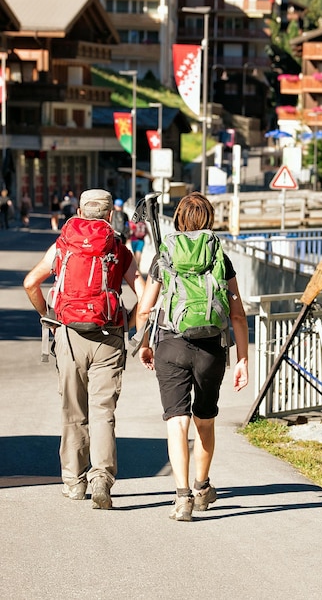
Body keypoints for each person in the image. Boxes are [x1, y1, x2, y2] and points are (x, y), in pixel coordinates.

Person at [23, 189, 144, 509]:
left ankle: (74, 482)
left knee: (73, 411)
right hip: (109, 335)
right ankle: (101, 478)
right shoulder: (119, 249)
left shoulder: (63, 245)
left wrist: (48, 318)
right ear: (109, 214)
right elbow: (144, 296)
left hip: (68, 334)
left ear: (79, 210)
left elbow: (30, 282)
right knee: (104, 411)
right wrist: (128, 323)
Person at [136, 192, 249, 521]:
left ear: (179, 220)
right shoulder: (219, 255)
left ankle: (182, 497)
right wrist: (242, 358)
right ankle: (202, 487)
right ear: (209, 219)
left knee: (177, 422)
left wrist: (144, 343)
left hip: (171, 344)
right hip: (212, 346)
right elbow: (238, 315)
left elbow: (146, 308)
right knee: (205, 419)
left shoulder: (164, 254)